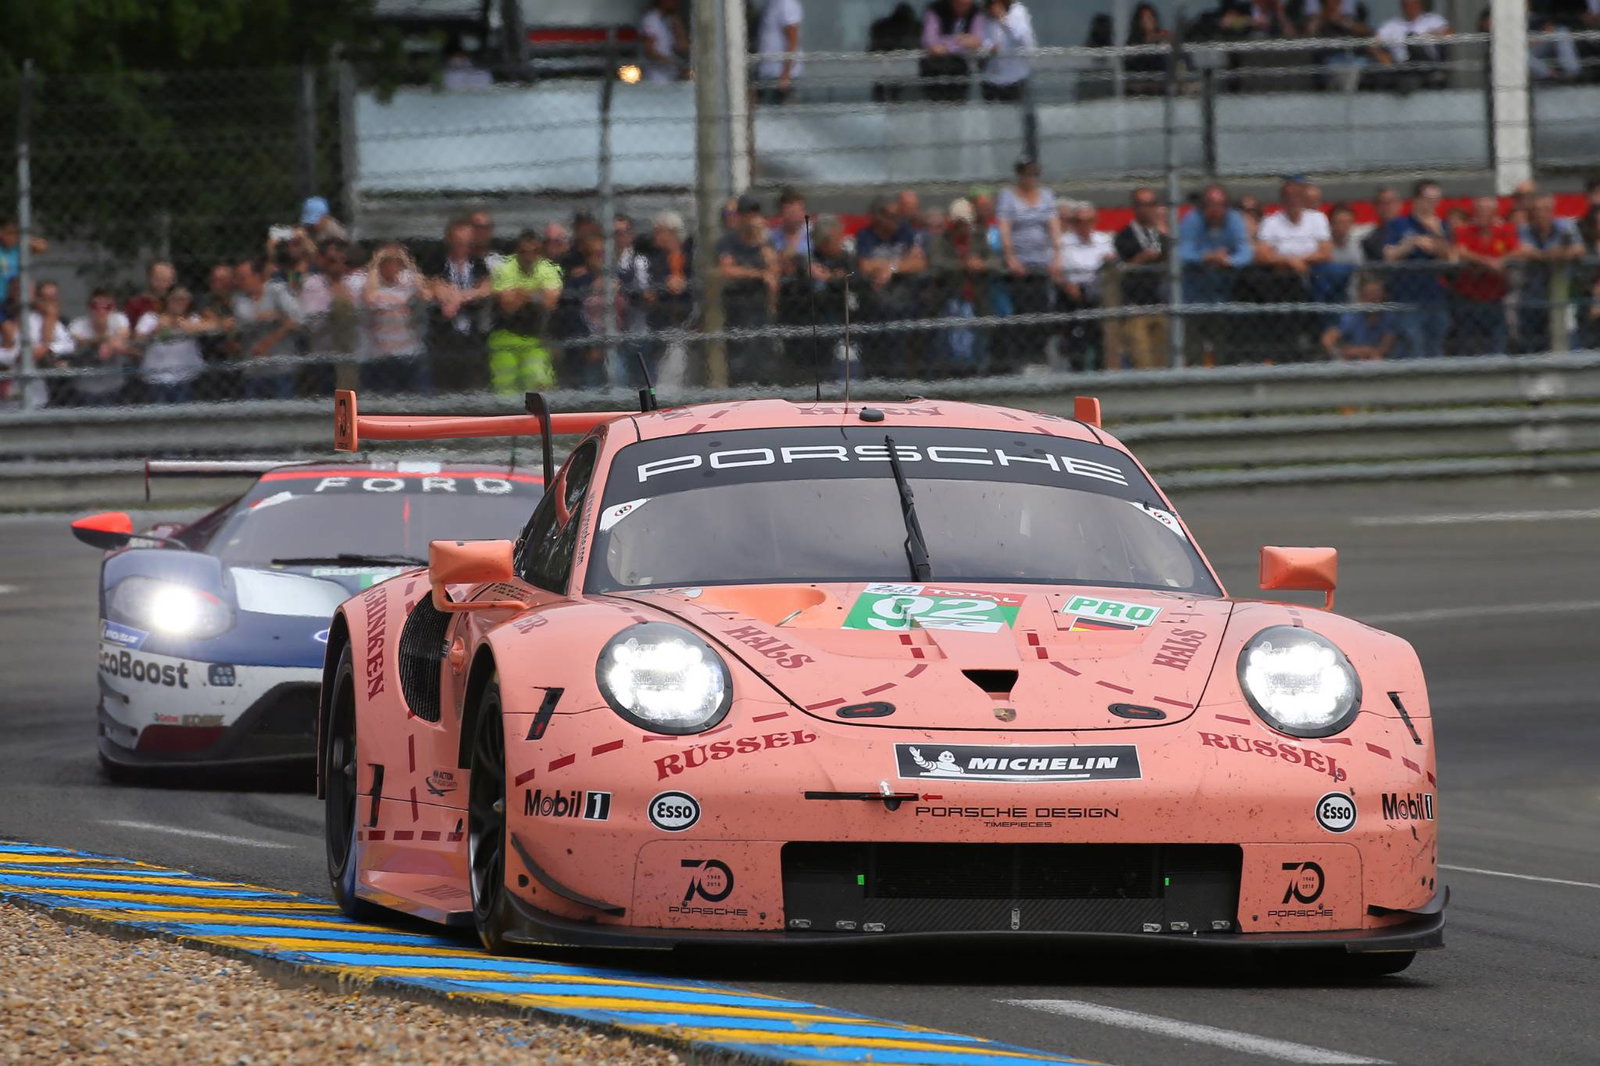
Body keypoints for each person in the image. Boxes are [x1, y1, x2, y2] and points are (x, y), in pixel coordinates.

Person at [1254, 174, 1332, 359]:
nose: (1293, 199)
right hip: (1283, 277)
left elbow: (1326, 252)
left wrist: (1300, 260)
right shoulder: (1271, 222)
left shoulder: (1317, 219)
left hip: (1313, 273)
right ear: (1282, 199)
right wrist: (1289, 262)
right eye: (1289, 196)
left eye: (1297, 195)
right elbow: (1261, 254)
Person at [994, 155, 1060, 371]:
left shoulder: (1046, 196)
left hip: (1041, 260)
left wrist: (1056, 255)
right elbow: (1004, 228)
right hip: (1020, 263)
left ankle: (1039, 354)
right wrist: (1010, 257)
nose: (1030, 178)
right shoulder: (1008, 197)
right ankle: (1023, 357)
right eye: (1026, 173)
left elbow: (1052, 225)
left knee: (1043, 308)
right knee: (1022, 308)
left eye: (1034, 173)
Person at [855, 194, 929, 378]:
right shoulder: (866, 236)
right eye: (890, 215)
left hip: (903, 295)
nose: (896, 220)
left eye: (898, 216)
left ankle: (901, 376)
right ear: (878, 217)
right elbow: (865, 266)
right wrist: (901, 262)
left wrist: (891, 268)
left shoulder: (905, 232)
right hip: (875, 298)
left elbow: (920, 264)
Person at [1178, 184, 1253, 362]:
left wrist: (1228, 261)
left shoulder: (1234, 219)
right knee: (1193, 348)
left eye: (1220, 205)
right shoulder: (1192, 219)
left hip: (1223, 293)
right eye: (1210, 204)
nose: (1215, 209)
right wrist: (1205, 257)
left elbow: (1246, 252)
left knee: (1222, 344)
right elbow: (1182, 252)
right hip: (1193, 295)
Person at [1381, 179, 1454, 359]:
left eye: (1437, 199)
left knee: (1435, 344)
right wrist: (1411, 243)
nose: (1433, 204)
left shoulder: (1442, 225)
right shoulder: (1399, 224)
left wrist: (1436, 236)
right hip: (1407, 297)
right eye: (1429, 198)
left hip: (1435, 297)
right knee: (1413, 343)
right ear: (1417, 199)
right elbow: (1389, 255)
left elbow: (1452, 258)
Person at [717, 194, 781, 384]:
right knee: (739, 361)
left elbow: (774, 270)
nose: (752, 218)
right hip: (737, 307)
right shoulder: (729, 241)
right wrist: (757, 274)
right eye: (747, 214)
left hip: (760, 308)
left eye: (755, 213)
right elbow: (727, 269)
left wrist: (760, 240)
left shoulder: (765, 242)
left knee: (764, 358)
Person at [926, 198, 995, 376]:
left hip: (976, 296)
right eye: (958, 224)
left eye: (965, 224)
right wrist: (964, 265)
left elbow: (996, 261)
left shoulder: (978, 239)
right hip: (949, 295)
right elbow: (936, 262)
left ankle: (977, 371)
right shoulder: (941, 240)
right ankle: (954, 371)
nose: (962, 228)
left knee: (978, 335)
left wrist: (982, 264)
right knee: (953, 337)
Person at [488, 229, 562, 394]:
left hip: (535, 336)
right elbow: (508, 306)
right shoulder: (504, 267)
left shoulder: (548, 268)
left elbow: (550, 303)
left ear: (540, 252)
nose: (529, 256)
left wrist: (521, 293)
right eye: (524, 252)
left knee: (539, 386)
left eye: (534, 252)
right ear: (517, 252)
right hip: (505, 336)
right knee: (506, 390)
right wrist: (537, 293)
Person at [424, 218, 493, 391]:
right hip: (444, 336)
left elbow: (485, 289)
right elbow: (434, 286)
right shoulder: (437, 262)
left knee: (473, 384)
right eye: (457, 241)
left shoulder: (478, 264)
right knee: (444, 385)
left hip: (473, 335)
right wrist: (451, 294)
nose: (461, 246)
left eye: (465, 242)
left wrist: (458, 298)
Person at [1450, 195, 1518, 356]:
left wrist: (1502, 260)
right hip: (1469, 299)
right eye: (1478, 210)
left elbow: (1519, 250)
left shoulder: (1505, 230)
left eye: (1486, 211)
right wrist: (1486, 262)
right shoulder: (1464, 230)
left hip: (1495, 298)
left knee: (1497, 347)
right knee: (1468, 348)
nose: (1481, 214)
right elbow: (1460, 251)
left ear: (1494, 212)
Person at [1516, 193, 1584, 354]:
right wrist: (1549, 255)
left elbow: (1579, 249)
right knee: (1531, 339)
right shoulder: (1525, 228)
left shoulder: (1564, 225)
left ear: (1552, 210)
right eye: (1538, 210)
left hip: (1560, 292)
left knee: (1564, 335)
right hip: (1532, 292)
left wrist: (1558, 254)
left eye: (1546, 209)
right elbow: (1522, 250)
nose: (1541, 213)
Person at [1113, 186, 1172, 370]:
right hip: (1135, 307)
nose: (1147, 209)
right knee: (1142, 357)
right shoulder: (1125, 235)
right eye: (1142, 205)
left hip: (1160, 304)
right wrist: (1142, 258)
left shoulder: (1160, 234)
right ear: (1135, 207)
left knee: (1163, 358)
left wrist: (1163, 228)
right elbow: (1122, 267)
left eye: (1151, 204)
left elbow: (1169, 253)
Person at [361, 243, 431, 395]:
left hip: (410, 353)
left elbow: (425, 294)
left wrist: (408, 262)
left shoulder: (407, 282)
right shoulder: (372, 285)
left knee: (420, 399)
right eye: (387, 262)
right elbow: (370, 299)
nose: (392, 266)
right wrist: (375, 262)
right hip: (382, 355)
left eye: (395, 262)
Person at [1055, 200, 1115, 370]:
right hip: (1074, 292)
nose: (1084, 225)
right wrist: (1068, 284)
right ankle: (1076, 366)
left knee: (1100, 333)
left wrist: (1109, 263)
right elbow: (1062, 270)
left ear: (1094, 221)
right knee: (1076, 335)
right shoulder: (1064, 243)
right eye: (1079, 221)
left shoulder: (1103, 240)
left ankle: (1101, 368)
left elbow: (1110, 266)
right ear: (1073, 223)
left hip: (1099, 291)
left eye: (1088, 221)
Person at [232, 257, 303, 397]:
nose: (238, 282)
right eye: (237, 278)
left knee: (284, 412)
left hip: (281, 367)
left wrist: (267, 341)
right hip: (253, 370)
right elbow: (244, 319)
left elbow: (296, 319)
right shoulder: (239, 298)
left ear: (257, 276)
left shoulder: (277, 289)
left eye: (243, 278)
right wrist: (278, 317)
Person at [134, 288, 206, 404]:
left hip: (185, 378)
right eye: (177, 299)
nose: (181, 302)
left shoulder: (192, 318)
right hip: (156, 379)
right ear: (168, 300)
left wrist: (186, 326)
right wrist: (156, 330)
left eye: (185, 299)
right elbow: (138, 337)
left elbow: (210, 326)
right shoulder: (151, 317)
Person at [66, 289, 133, 405]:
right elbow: (80, 341)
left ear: (113, 307)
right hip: (86, 388)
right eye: (95, 306)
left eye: (107, 307)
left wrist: (109, 345)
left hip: (114, 386)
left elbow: (124, 335)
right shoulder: (77, 324)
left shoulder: (119, 319)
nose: (101, 311)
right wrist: (104, 339)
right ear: (88, 307)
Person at [1372, 0, 1451, 89]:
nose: (1410, 8)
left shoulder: (1432, 20)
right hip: (1400, 66)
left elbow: (1449, 33)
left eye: (1413, 4)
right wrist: (1387, 62)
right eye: (1406, 5)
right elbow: (1373, 44)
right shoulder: (1392, 25)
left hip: (1426, 65)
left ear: (1419, 5)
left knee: (1413, 41)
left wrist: (1427, 36)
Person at [920, 0, 986, 103]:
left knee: (958, 106)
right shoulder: (935, 10)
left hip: (960, 70)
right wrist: (960, 40)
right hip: (934, 70)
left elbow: (977, 41)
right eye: (961, 4)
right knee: (934, 106)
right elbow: (931, 43)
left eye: (968, 3)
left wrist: (946, 43)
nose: (965, 7)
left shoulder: (976, 11)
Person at [1321, 276, 1397, 360]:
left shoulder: (1387, 316)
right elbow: (1328, 339)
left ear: (1383, 296)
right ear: (1361, 297)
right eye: (1368, 294)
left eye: (1377, 294)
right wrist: (1342, 353)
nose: (1373, 299)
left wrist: (1371, 352)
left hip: (1375, 358)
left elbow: (1386, 346)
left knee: (1376, 359)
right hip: (1354, 358)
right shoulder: (1352, 316)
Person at [1306, 0, 1374, 91]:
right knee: (1348, 72)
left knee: (1358, 67)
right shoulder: (1320, 21)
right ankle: (1348, 100)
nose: (1334, 4)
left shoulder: (1349, 18)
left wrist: (1344, 22)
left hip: (1353, 57)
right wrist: (1324, 17)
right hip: (1331, 59)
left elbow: (1368, 31)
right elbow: (1310, 32)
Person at [980, 0, 1035, 103]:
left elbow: (1023, 40)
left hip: (1014, 78)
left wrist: (1003, 18)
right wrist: (989, 48)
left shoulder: (1018, 12)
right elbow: (981, 40)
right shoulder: (985, 16)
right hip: (991, 77)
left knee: (1013, 114)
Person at [755, 0, 804, 104]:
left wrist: (786, 74)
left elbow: (792, 40)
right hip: (767, 73)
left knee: (782, 116)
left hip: (780, 75)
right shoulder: (770, 4)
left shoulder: (786, 4)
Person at [1123, 3, 1172, 95]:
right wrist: (1149, 42)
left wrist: (1167, 42)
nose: (1150, 20)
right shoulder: (1133, 42)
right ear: (1139, 21)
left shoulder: (1162, 37)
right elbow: (1130, 64)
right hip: (1138, 91)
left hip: (1162, 88)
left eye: (1152, 16)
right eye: (1146, 17)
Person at [639, 0, 689, 83]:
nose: (676, 3)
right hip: (655, 77)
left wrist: (678, 26)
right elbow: (649, 50)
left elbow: (683, 46)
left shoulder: (669, 21)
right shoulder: (650, 20)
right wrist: (671, 61)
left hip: (672, 76)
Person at [123, 261, 177, 325]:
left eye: (167, 279)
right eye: (158, 278)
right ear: (149, 278)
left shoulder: (176, 303)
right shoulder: (135, 304)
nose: (162, 283)